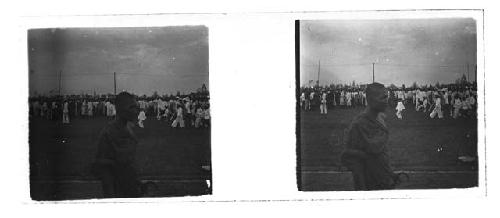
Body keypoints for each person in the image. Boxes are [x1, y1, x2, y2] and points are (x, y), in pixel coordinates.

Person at [340, 83, 398, 191]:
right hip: (370, 184)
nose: (387, 100)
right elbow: (351, 159)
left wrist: (390, 173)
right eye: (383, 97)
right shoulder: (358, 124)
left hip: (385, 180)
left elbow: (381, 153)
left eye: (387, 97)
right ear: (371, 100)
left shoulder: (381, 118)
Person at [93, 92, 141, 198]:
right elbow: (105, 172)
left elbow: (129, 163)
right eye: (132, 107)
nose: (136, 111)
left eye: (137, 107)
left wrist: (137, 184)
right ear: (121, 109)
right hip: (118, 192)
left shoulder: (129, 129)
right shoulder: (108, 133)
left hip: (130, 187)